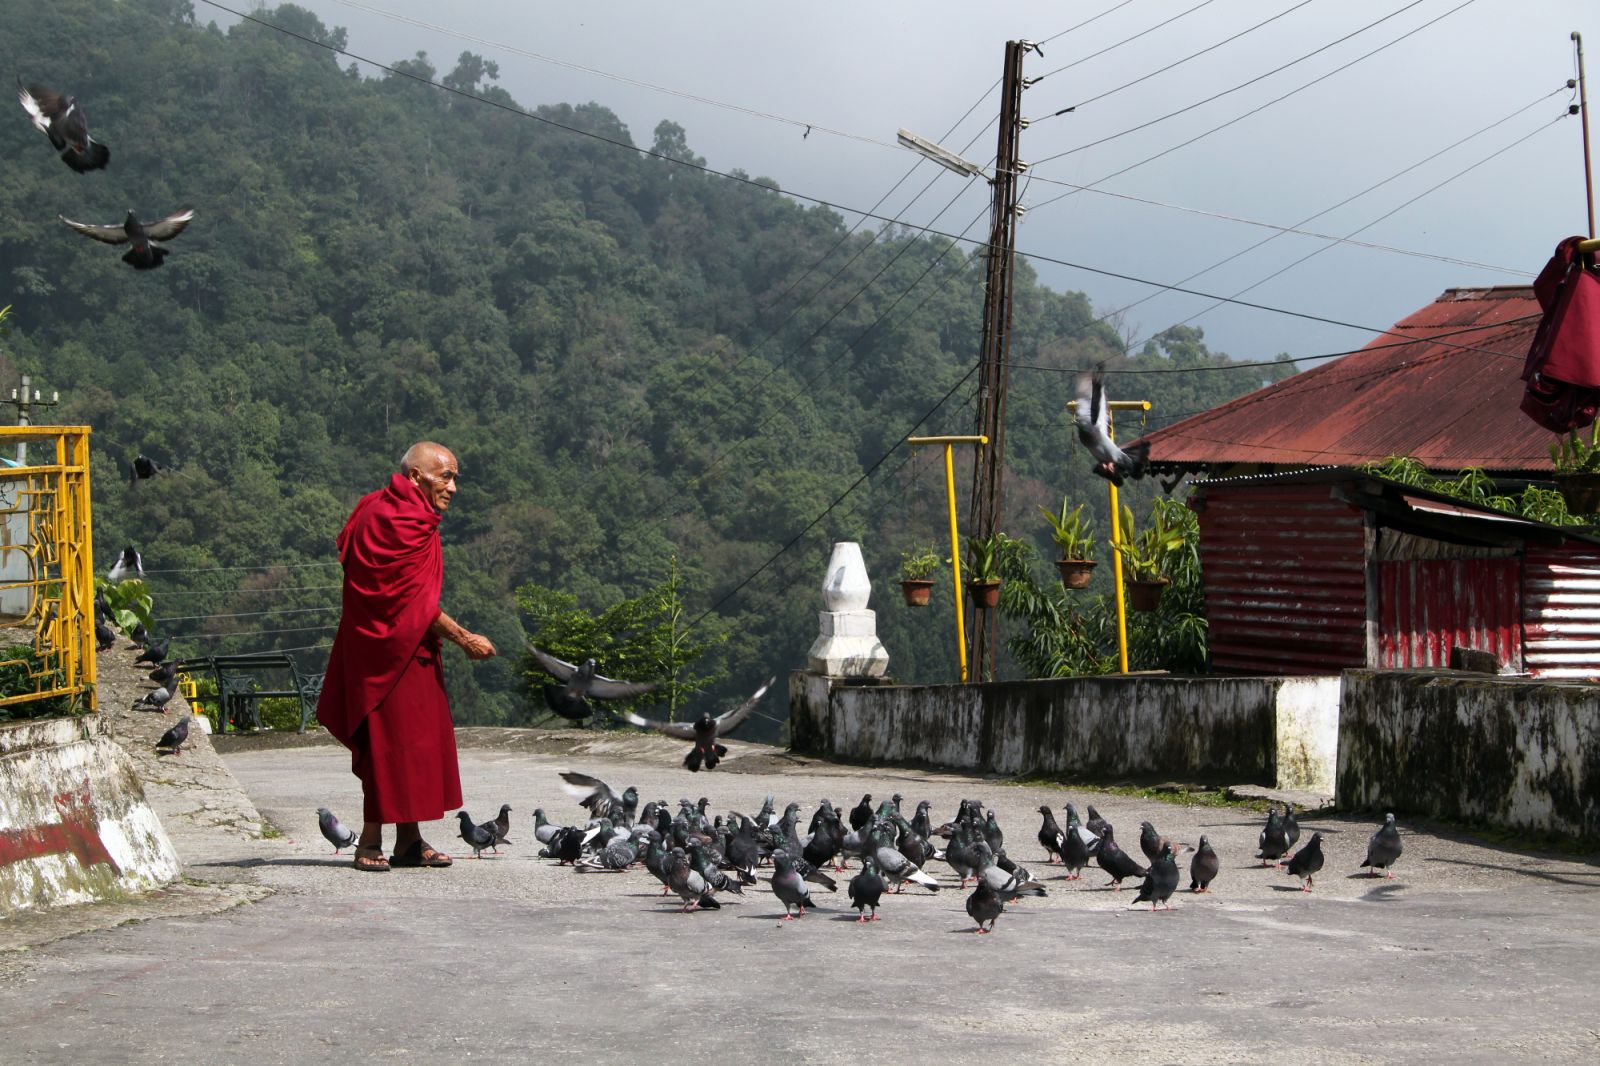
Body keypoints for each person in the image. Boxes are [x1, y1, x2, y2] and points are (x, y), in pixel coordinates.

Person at [316, 441, 496, 871]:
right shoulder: (383, 516)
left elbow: (410, 600)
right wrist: (464, 637)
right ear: (416, 477)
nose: (452, 487)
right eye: (445, 476)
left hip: (411, 648)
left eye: (455, 478)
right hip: (380, 652)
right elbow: (406, 599)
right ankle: (370, 843)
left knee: (412, 747)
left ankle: (410, 841)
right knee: (385, 745)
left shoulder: (409, 516)